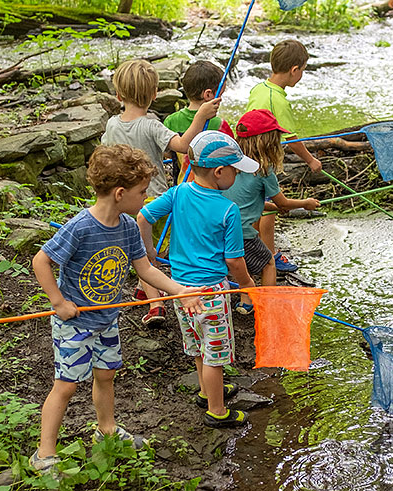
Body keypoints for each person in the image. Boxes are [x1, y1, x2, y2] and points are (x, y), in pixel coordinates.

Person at [29, 144, 204, 475]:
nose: (146, 198)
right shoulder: (81, 226)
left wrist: (179, 291)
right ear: (120, 193)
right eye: (142, 192)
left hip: (106, 320)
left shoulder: (127, 226)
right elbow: (42, 260)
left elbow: (146, 269)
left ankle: (106, 428)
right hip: (75, 323)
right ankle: (44, 453)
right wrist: (58, 302)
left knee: (106, 375)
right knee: (65, 385)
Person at [137, 131, 259, 428]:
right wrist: (247, 285)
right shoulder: (227, 210)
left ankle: (207, 392)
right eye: (235, 171)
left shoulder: (179, 193)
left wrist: (148, 249)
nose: (237, 176)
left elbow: (143, 216)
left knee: (198, 346)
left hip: (180, 290)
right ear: (219, 172)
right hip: (212, 291)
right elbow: (233, 260)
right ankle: (217, 410)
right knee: (215, 355)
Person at [101, 58, 220, 328]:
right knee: (153, 251)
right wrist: (200, 117)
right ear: (154, 95)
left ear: (118, 95)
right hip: (155, 200)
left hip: (123, 202)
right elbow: (180, 145)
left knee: (139, 254)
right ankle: (168, 296)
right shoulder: (152, 125)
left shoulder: (111, 125)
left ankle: (154, 300)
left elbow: (105, 156)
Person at [222, 109, 320, 314]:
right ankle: (267, 305)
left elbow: (247, 202)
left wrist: (272, 207)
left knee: (243, 263)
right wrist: (305, 203)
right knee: (267, 262)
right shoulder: (263, 171)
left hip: (221, 229)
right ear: (268, 143)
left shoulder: (228, 167)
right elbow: (283, 203)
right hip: (242, 233)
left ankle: (245, 301)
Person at [246, 39, 321, 273]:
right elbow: (292, 138)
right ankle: (269, 255)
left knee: (256, 203)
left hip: (247, 154)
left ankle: (254, 247)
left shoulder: (259, 88)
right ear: (294, 70)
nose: (301, 75)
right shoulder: (278, 100)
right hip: (264, 157)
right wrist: (311, 160)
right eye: (303, 71)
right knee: (269, 208)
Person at [164, 60, 235, 184]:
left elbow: (168, 154)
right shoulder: (220, 126)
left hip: (181, 188)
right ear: (208, 95)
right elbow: (233, 159)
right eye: (220, 95)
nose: (221, 99)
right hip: (212, 192)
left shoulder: (170, 121)